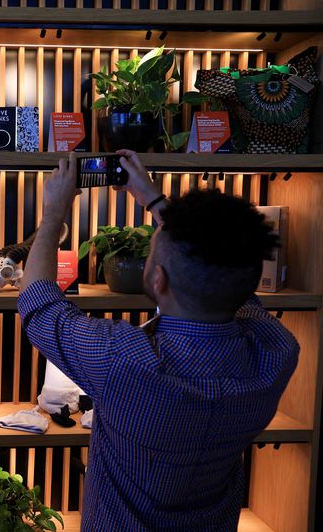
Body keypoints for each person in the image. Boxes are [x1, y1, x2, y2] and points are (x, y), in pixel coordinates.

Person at [18, 150, 299, 531]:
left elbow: (39, 305)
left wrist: (53, 214)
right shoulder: (275, 352)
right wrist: (153, 199)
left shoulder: (124, 359)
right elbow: (231, 283)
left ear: (157, 280)